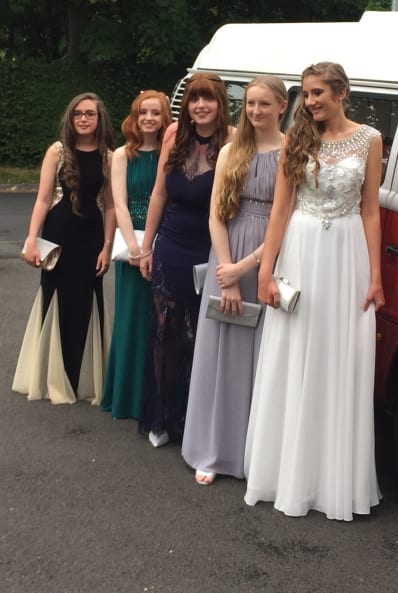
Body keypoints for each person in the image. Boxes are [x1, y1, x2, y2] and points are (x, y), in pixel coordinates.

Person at [243, 62, 385, 520]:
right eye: (305, 94)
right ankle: (286, 473)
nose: (310, 102)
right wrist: (266, 273)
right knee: (294, 353)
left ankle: (332, 478)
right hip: (301, 251)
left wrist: (376, 276)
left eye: (318, 93)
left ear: (341, 93)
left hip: (346, 255)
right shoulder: (296, 139)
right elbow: (280, 211)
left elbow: (370, 210)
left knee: (339, 356)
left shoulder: (370, 139)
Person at [182, 76, 288, 485]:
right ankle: (212, 450)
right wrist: (225, 273)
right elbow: (215, 215)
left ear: (282, 107)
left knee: (260, 356)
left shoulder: (290, 153)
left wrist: (246, 268)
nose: (256, 111)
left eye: (264, 104)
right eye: (250, 104)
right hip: (225, 258)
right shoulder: (230, 150)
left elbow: (284, 220)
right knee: (219, 353)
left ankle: (252, 453)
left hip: (266, 260)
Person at [138, 73, 235, 448]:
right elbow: (159, 194)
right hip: (171, 246)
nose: (200, 106)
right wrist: (147, 246)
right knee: (166, 332)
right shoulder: (173, 134)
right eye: (194, 99)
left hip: (211, 248)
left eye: (208, 99)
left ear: (220, 103)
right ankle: (161, 416)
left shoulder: (233, 139)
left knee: (203, 337)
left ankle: (193, 420)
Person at [13, 92, 116, 404]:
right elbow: (43, 199)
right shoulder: (57, 151)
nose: (83, 119)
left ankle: (81, 379)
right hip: (58, 235)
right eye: (77, 114)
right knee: (55, 297)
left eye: (89, 114)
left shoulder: (109, 157)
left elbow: (111, 206)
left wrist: (107, 248)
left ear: (99, 119)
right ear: (70, 119)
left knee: (86, 300)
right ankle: (51, 377)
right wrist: (32, 240)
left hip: (91, 238)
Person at [101, 90, 172, 419]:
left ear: (164, 117)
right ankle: (126, 397)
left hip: (164, 242)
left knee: (159, 320)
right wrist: (135, 249)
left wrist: (154, 247)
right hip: (132, 248)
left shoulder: (171, 153)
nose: (149, 118)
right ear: (135, 116)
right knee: (131, 319)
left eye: (155, 113)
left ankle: (154, 397)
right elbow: (119, 204)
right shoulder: (121, 155)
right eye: (143, 112)